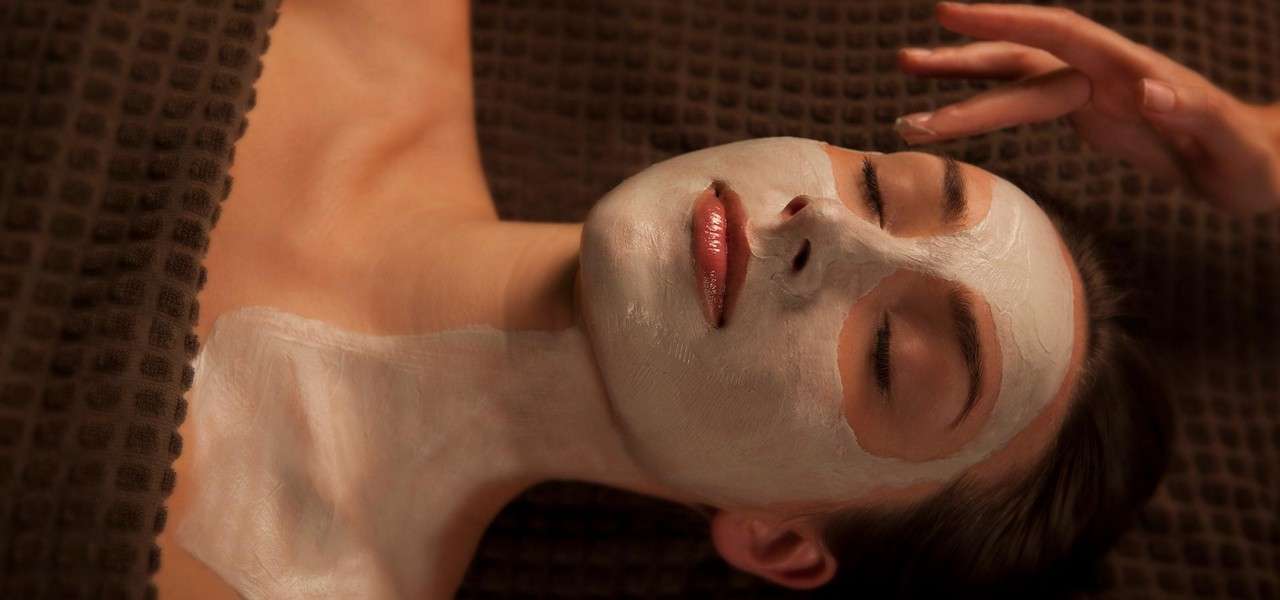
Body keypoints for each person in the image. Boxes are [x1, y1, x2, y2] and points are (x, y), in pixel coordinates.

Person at [154, 2, 1280, 599]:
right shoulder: (364, 21)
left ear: (778, 541)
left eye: (891, 353)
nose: (821, 228)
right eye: (882, 188)